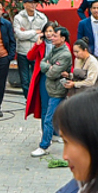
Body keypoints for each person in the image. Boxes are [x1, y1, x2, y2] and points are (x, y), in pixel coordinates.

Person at [35, 27, 74, 158]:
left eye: (55, 36)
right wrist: (48, 66)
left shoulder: (65, 54)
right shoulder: (54, 50)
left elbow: (52, 73)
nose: (52, 37)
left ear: (63, 39)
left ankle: (44, 145)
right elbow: (42, 63)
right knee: (59, 117)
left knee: (49, 118)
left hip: (58, 90)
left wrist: (49, 67)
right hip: (52, 88)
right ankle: (60, 136)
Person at [15, 0, 50, 109]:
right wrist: (35, 32)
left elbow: (44, 34)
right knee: (25, 80)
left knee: (37, 78)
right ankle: (28, 99)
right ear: (24, 4)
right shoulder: (18, 18)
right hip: (22, 52)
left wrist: (27, 34)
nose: (33, 5)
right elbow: (19, 35)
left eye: (35, 3)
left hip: (37, 52)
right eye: (30, 3)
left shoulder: (41, 17)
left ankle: (37, 100)